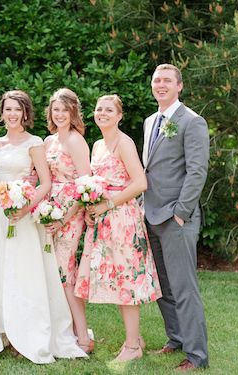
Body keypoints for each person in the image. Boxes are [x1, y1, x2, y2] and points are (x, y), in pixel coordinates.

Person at [0, 90, 87, 363]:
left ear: (25, 113)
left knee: (24, 271)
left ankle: (29, 332)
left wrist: (25, 206)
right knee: (1, 268)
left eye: (17, 110)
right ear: (2, 112)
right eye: (8, 109)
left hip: (24, 215)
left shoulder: (34, 143)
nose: (12, 115)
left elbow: (45, 183)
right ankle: (3, 331)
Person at [74, 94, 162, 362]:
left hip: (123, 219)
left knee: (126, 282)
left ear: (119, 115)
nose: (102, 113)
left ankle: (132, 347)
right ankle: (136, 338)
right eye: (99, 109)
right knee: (113, 282)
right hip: (102, 220)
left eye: (109, 110)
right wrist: (92, 208)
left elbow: (140, 183)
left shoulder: (124, 143)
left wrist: (108, 203)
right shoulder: (98, 144)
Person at [142, 64, 209, 370]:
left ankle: (196, 356)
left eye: (167, 80)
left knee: (184, 288)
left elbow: (197, 171)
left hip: (176, 218)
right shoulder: (150, 122)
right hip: (151, 215)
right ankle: (176, 339)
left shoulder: (192, 122)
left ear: (179, 86)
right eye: (157, 81)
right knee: (163, 286)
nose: (161, 85)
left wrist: (181, 213)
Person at [43, 88, 94, 353]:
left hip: (71, 213)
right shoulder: (48, 141)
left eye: (64, 109)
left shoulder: (76, 141)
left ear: (73, 112)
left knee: (65, 274)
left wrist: (65, 217)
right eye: (55, 109)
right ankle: (65, 327)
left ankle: (82, 336)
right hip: (50, 210)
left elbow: (86, 186)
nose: (59, 114)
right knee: (54, 272)